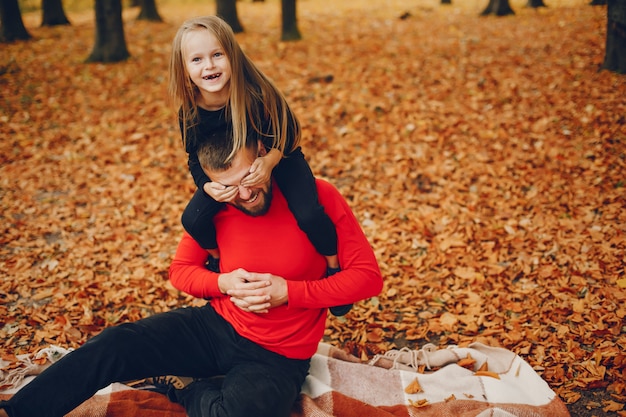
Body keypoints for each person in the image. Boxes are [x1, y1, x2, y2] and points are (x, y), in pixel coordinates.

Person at [0, 128, 383, 417]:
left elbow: (368, 277)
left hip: (278, 355)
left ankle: (187, 389)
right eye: (229, 188)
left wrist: (291, 292)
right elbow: (181, 271)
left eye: (250, 179)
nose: (245, 195)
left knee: (240, 413)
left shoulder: (317, 197)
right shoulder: (216, 209)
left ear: (264, 154)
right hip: (214, 329)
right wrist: (222, 283)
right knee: (117, 343)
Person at [169, 16, 351, 314]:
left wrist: (269, 162)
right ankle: (215, 260)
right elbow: (193, 157)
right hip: (230, 172)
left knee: (308, 214)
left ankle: (332, 265)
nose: (209, 66)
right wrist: (208, 186)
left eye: (217, 55)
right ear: (185, 70)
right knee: (193, 219)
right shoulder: (190, 111)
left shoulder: (254, 93)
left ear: (232, 54)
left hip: (280, 157)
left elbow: (288, 133)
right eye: (197, 59)